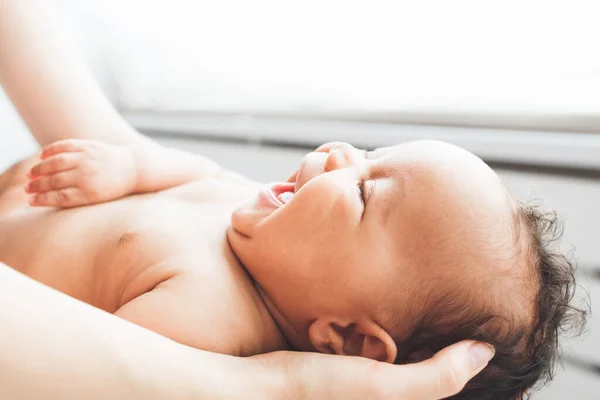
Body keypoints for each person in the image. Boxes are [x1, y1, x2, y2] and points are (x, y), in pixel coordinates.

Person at [0, 0, 496, 399]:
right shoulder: (252, 213)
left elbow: (85, 367)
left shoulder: (210, 324)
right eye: (371, 153)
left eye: (365, 191)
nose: (341, 152)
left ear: (347, 338)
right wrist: (131, 168)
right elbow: (200, 172)